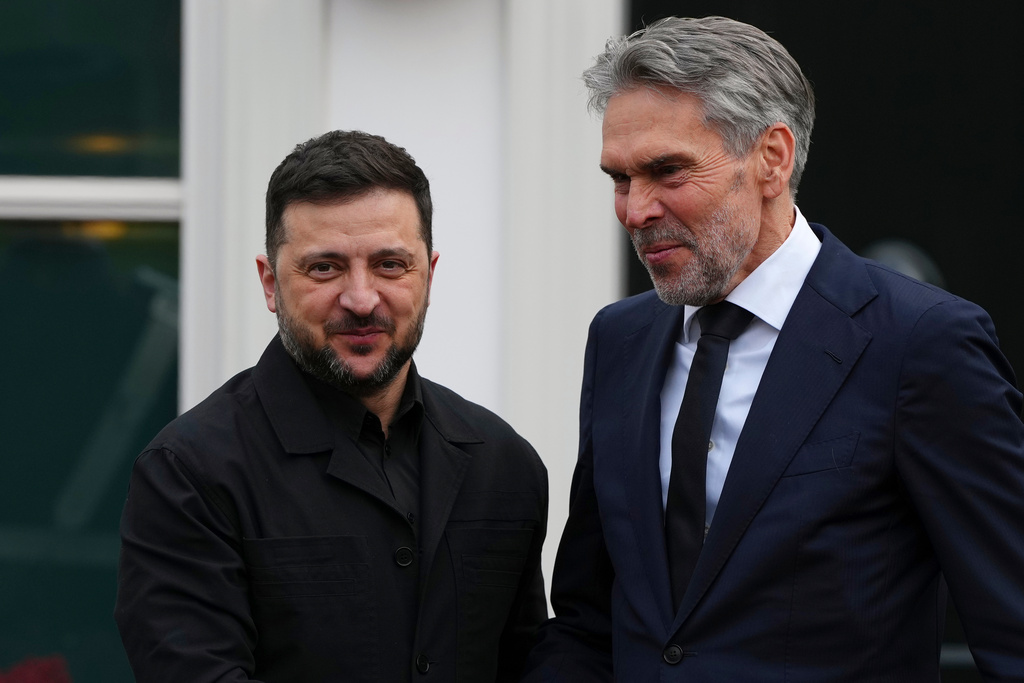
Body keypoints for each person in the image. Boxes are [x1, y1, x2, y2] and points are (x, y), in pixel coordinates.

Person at [522, 16, 1024, 682]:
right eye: (620, 178)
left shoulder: (921, 343)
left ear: (772, 158)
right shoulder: (620, 339)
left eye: (667, 171)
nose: (635, 210)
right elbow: (589, 620)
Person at [115, 130, 548, 683]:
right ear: (270, 283)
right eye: (325, 268)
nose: (362, 298)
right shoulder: (189, 474)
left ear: (430, 276)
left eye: (391, 264)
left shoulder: (504, 465)